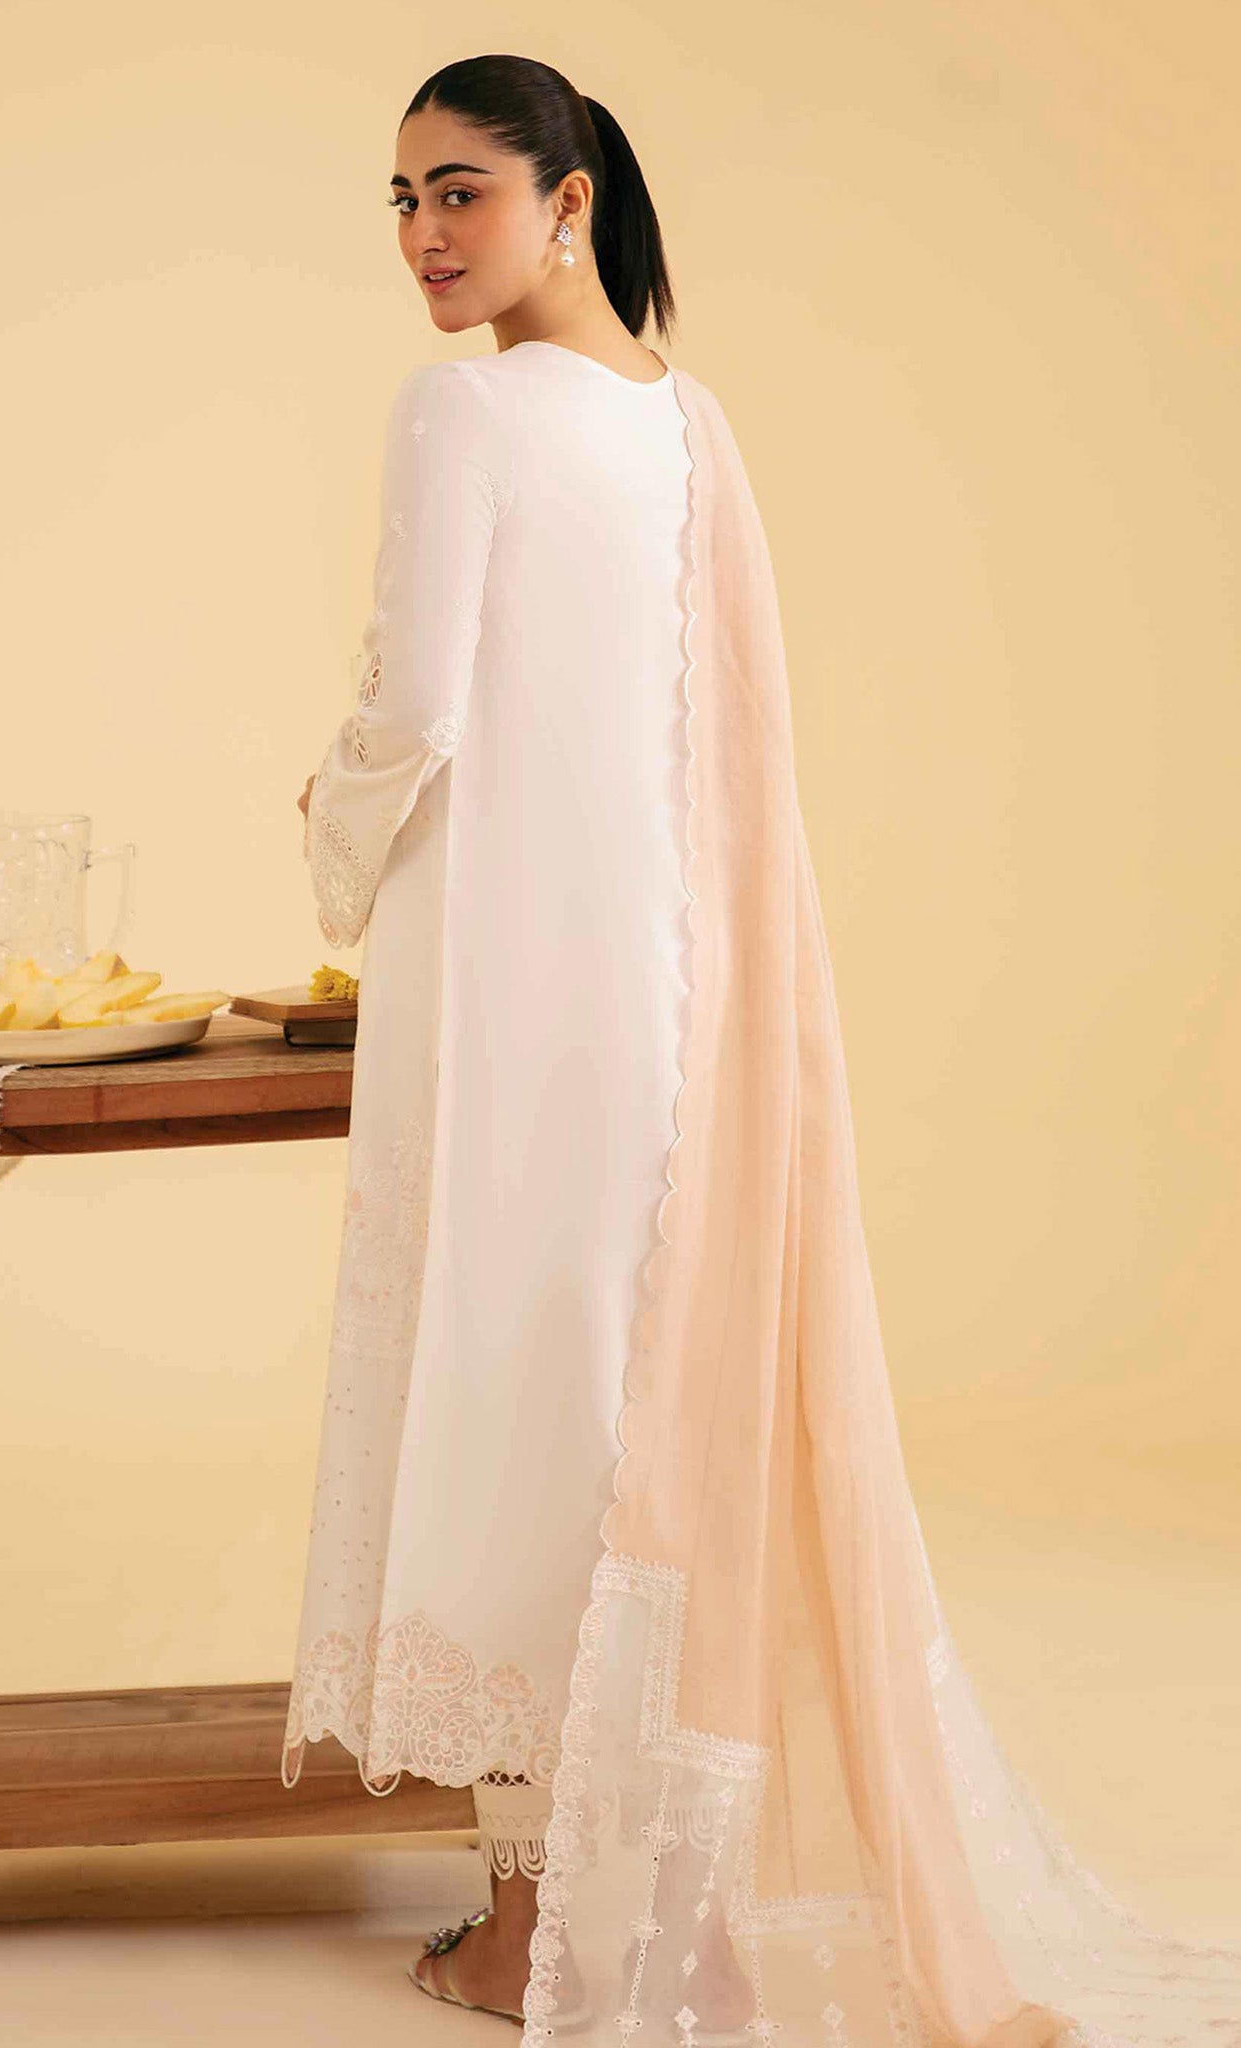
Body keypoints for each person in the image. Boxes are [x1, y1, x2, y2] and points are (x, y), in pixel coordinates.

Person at [287, 54, 1241, 2047]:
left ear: (566, 200)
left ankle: (530, 1927)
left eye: (459, 192)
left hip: (510, 1004)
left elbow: (419, 709)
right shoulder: (682, 423)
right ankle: (663, 1908)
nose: (423, 237)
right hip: (668, 1006)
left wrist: (327, 825)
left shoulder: (459, 415)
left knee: (514, 1411)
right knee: (626, 1421)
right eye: (401, 201)